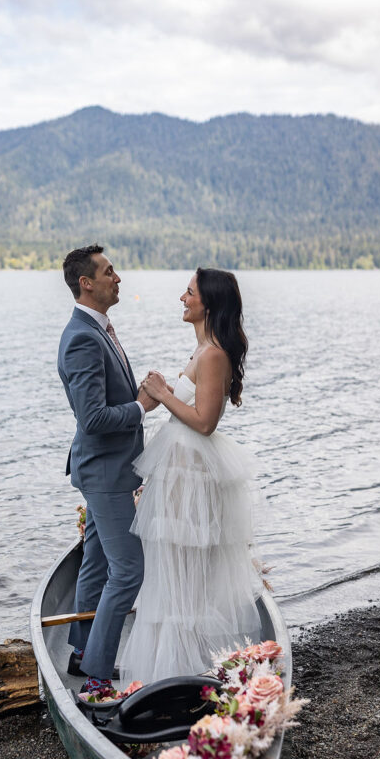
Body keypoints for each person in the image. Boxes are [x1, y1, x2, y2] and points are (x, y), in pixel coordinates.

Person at [119, 267, 263, 685]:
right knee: (170, 579)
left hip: (194, 481)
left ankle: (186, 675)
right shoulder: (201, 351)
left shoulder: (214, 354)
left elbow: (204, 423)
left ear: (209, 303)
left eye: (189, 292)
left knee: (185, 582)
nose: (182, 299)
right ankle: (174, 674)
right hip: (180, 478)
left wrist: (163, 395)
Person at [57, 244, 158, 698]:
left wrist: (136, 395)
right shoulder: (82, 337)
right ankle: (97, 671)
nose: (118, 278)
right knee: (128, 571)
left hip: (110, 470)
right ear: (87, 282)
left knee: (96, 565)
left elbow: (101, 406)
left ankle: (80, 652)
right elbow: (92, 419)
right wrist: (140, 405)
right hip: (105, 474)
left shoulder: (98, 329)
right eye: (110, 271)